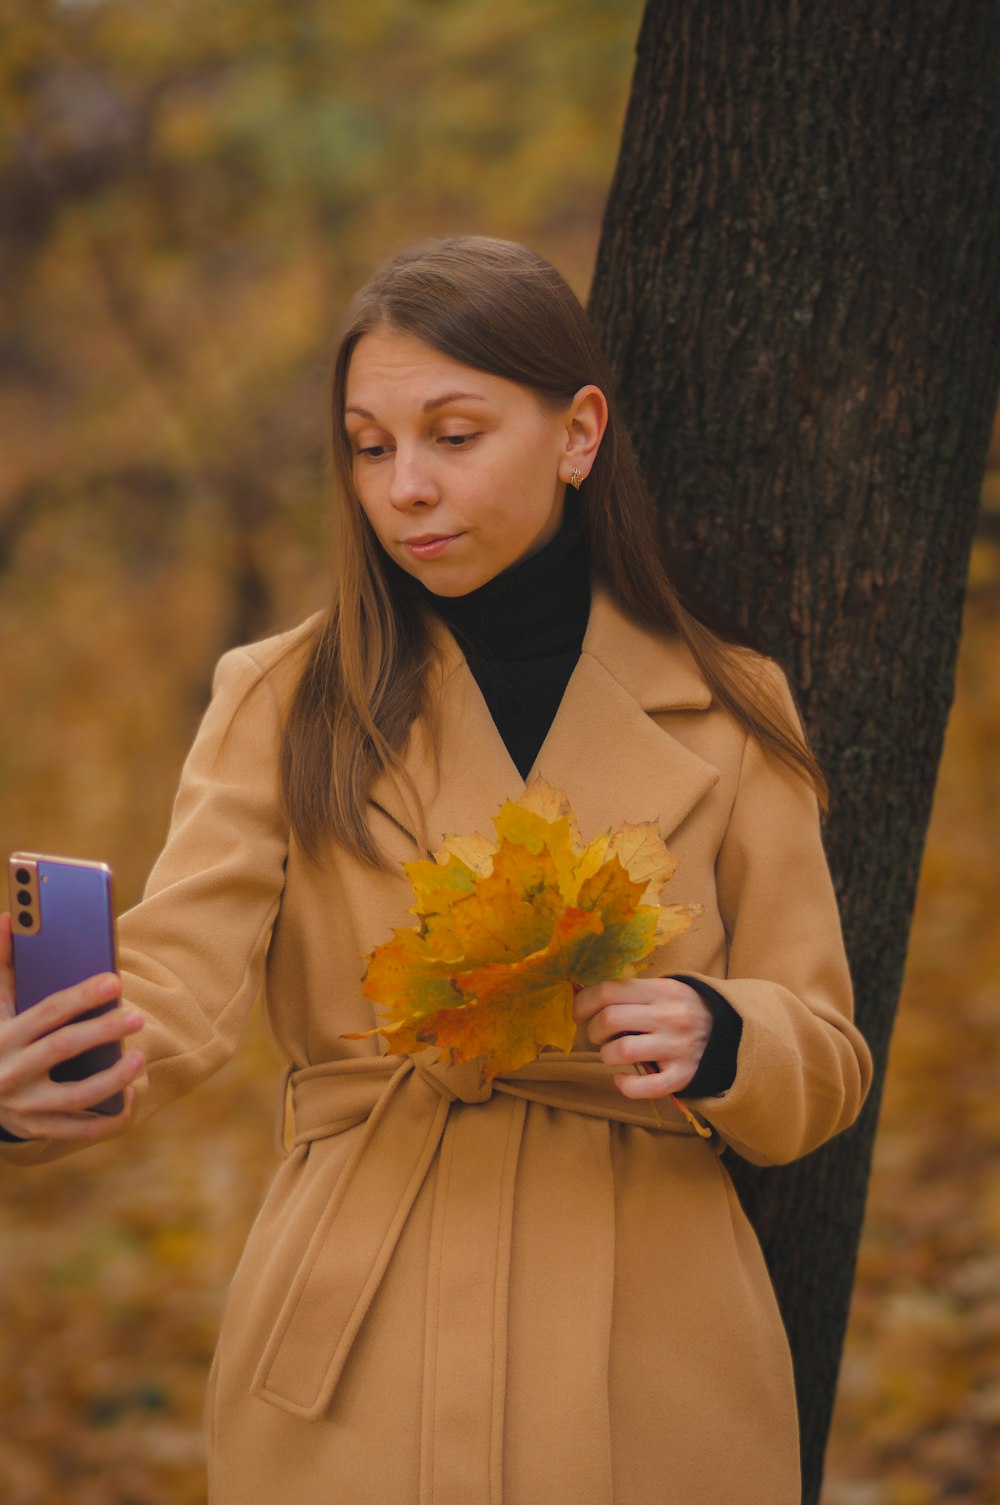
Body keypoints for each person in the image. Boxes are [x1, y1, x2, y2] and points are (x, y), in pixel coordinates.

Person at [0, 236, 873, 1505]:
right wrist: (39, 1070)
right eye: (370, 444)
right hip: (361, 1317)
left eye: (453, 435)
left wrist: (723, 1029)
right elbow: (176, 983)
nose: (405, 485)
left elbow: (830, 1054)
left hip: (655, 1334)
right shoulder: (286, 696)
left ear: (577, 434)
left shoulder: (729, 710)